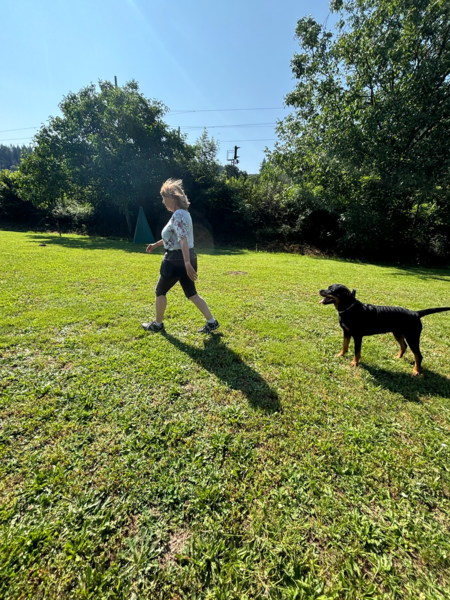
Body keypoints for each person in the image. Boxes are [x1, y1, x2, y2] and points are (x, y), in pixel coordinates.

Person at [142, 178, 219, 333]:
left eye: (164, 198)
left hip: (175, 260)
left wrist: (186, 263)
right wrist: (155, 245)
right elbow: (174, 238)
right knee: (192, 294)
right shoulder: (184, 214)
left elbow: (182, 239)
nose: (163, 201)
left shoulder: (178, 215)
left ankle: (157, 324)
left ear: (172, 198)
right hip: (188, 256)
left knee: (160, 291)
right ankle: (212, 322)